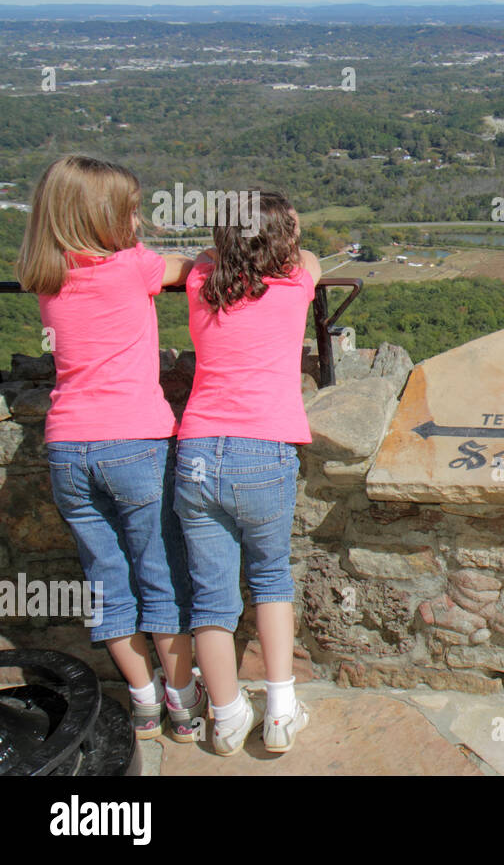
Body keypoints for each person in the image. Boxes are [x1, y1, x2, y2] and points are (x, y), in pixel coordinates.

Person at [16, 155, 205, 741]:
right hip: (135, 442)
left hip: (68, 448)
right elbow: (189, 267)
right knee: (161, 574)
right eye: (130, 209)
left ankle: (142, 700)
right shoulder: (130, 267)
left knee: (105, 581)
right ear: (104, 217)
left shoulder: (47, 277)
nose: (140, 218)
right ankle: (182, 699)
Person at [175, 189, 320, 756]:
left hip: (197, 452)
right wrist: (292, 245)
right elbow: (308, 262)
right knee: (270, 579)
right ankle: (281, 711)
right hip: (264, 451)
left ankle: (226, 715)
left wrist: (223, 251)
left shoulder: (198, 287)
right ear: (286, 243)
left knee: (210, 596)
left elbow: (205, 261)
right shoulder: (293, 288)